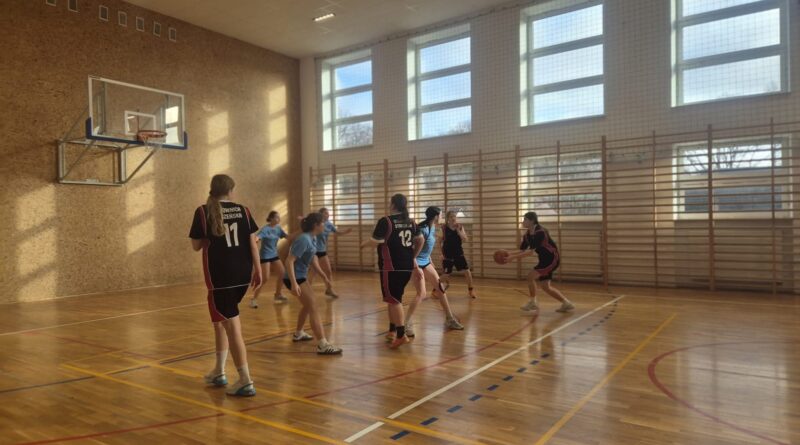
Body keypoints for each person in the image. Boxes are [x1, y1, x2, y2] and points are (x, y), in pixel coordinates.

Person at [189, 174, 261, 397]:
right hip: (243, 274)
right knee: (220, 322)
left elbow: (196, 246)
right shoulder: (243, 210)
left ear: (213, 190)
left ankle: (245, 380)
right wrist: (258, 270)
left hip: (221, 278)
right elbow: (253, 243)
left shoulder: (203, 212)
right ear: (230, 190)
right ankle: (219, 371)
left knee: (232, 327)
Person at [361, 194, 423, 349]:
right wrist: (413, 256)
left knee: (394, 301)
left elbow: (375, 241)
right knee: (392, 298)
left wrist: (363, 244)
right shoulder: (411, 222)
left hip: (391, 267)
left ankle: (401, 335)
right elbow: (421, 240)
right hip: (406, 266)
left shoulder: (386, 221)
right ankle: (392, 330)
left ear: (393, 205)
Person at [284, 212, 343, 355]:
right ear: (316, 225)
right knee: (313, 307)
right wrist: (293, 283)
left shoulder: (313, 238)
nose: (325, 226)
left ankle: (299, 333)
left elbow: (312, 259)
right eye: (322, 223)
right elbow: (289, 261)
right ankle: (323, 344)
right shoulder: (303, 239)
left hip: (300, 276)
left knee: (308, 305)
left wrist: (324, 276)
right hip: (294, 277)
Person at [404, 207, 464, 338]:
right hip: (416, 263)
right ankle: (406, 323)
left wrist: (430, 260)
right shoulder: (422, 229)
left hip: (426, 261)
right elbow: (411, 249)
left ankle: (450, 319)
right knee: (421, 294)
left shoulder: (432, 227)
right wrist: (415, 267)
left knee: (440, 288)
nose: (442, 217)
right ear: (436, 216)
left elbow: (425, 248)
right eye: (440, 215)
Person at [502, 211, 575, 314]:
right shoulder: (527, 235)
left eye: (525, 219)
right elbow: (522, 250)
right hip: (544, 259)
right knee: (545, 286)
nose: (523, 221)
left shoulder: (540, 232)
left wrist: (512, 258)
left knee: (530, 277)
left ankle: (533, 302)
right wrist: (508, 253)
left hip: (552, 258)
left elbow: (530, 252)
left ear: (532, 221)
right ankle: (566, 303)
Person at [309, 208, 352, 298]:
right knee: (313, 272)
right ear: (321, 214)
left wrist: (346, 232)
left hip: (322, 251)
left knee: (328, 271)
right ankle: (307, 290)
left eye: (328, 213)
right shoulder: (315, 224)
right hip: (314, 251)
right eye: (325, 213)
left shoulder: (329, 224)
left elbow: (337, 232)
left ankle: (329, 290)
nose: (328, 214)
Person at [250, 211, 289, 307]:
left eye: (279, 217)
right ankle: (253, 299)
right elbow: (257, 237)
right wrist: (255, 240)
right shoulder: (265, 229)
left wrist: (301, 232)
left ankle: (278, 295)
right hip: (265, 256)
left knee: (282, 274)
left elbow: (287, 237)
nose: (279, 219)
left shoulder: (278, 228)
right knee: (265, 278)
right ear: (271, 218)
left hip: (274, 255)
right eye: (276, 217)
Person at [440, 210, 477, 299]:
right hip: (447, 254)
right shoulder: (443, 228)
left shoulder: (460, 227)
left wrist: (458, 231)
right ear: (447, 219)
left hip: (458, 253)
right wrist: (441, 254)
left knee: (467, 271)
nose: (453, 218)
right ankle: (435, 290)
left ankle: (471, 290)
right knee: (446, 274)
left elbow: (465, 239)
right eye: (451, 216)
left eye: (454, 216)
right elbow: (438, 242)